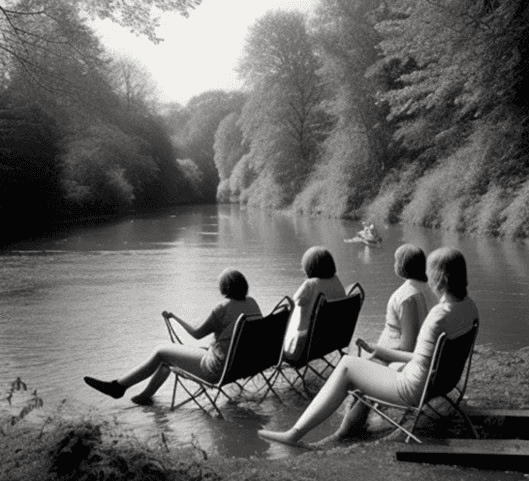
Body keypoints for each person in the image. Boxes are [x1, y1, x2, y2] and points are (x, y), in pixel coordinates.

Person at [258, 247, 478, 446]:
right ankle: (346, 429)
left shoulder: (438, 316)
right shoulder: (469, 307)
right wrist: (379, 351)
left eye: (430, 273)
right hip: (444, 382)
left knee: (346, 366)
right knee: (360, 364)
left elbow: (416, 361)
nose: (427, 278)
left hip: (412, 388)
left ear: (439, 278)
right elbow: (424, 358)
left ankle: (295, 434)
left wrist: (385, 361)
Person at [84, 268, 261, 405]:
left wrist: (175, 318)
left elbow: (197, 333)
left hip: (217, 370)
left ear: (224, 288)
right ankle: (144, 397)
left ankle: (118, 387)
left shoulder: (223, 307)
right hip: (243, 365)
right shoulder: (252, 303)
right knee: (168, 358)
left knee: (162, 351)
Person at [356, 243, 438, 366]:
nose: (394, 264)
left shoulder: (406, 297)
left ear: (402, 266)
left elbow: (408, 348)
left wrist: (376, 350)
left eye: (396, 261)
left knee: (353, 365)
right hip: (421, 354)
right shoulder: (432, 290)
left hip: (394, 361)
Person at [283, 246, 346, 361]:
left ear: (308, 267)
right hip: (334, 339)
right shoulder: (336, 281)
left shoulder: (310, 285)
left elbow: (293, 303)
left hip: (307, 348)